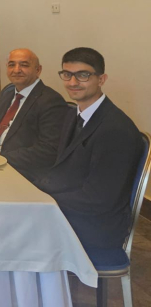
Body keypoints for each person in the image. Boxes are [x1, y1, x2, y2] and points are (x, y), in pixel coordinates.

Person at [37, 48, 144, 254]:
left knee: (13, 234)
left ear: (101, 79)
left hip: (96, 227)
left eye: (83, 75)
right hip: (74, 210)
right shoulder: (74, 113)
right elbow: (63, 169)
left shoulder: (115, 129)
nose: (73, 82)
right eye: (67, 74)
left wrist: (44, 198)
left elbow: (99, 198)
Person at [0, 49, 68, 182]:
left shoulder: (51, 101)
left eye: (24, 65)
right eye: (11, 65)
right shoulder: (8, 93)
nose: (16, 70)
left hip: (20, 170)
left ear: (38, 70)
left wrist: (1, 157)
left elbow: (48, 150)